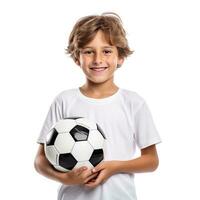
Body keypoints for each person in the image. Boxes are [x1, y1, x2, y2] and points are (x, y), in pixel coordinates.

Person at [34, 12, 161, 200]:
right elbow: (40, 160)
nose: (97, 59)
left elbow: (152, 161)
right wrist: (65, 178)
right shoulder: (64, 100)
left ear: (120, 57)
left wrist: (115, 167)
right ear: (77, 58)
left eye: (107, 51)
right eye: (88, 51)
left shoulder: (134, 103)